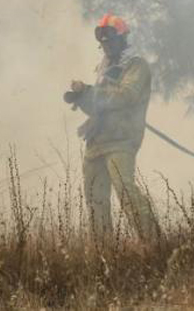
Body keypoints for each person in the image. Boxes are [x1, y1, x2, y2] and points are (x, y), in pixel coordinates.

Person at [64, 14, 159, 239]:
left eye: (110, 40)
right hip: (96, 142)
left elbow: (126, 96)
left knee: (126, 192)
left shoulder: (136, 65)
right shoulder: (103, 68)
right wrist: (83, 98)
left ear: (123, 38)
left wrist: (89, 92)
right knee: (95, 200)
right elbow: (100, 105)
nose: (106, 45)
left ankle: (155, 244)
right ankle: (103, 256)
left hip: (121, 141)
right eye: (103, 41)